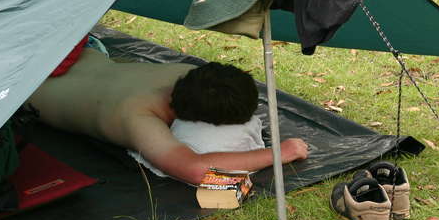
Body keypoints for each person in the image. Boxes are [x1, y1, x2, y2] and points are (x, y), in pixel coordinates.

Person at [28, 46, 308, 185]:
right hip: (26, 89)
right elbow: (197, 170)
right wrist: (280, 153)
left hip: (72, 54)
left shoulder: (182, 72)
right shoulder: (137, 115)